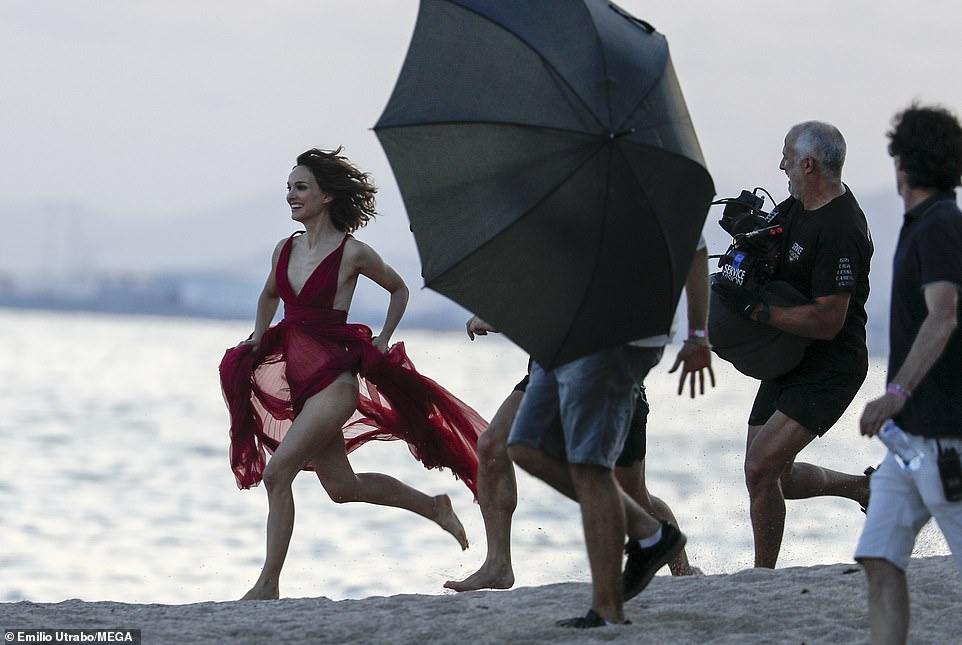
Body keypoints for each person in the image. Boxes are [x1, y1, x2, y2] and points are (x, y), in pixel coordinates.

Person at [218, 147, 487, 600]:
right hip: (301, 383)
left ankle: (267, 585)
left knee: (277, 473)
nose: (290, 196)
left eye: (300, 187)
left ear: (326, 196)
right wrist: (256, 335)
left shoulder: (352, 253)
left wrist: (383, 338)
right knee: (342, 488)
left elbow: (399, 289)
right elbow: (269, 295)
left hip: (334, 383)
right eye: (288, 188)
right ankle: (433, 506)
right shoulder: (283, 249)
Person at [444, 243, 713, 594]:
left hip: (610, 360)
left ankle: (682, 571)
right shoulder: (559, 213)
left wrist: (697, 335)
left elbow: (692, 251)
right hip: (552, 362)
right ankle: (498, 564)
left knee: (632, 494)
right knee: (494, 444)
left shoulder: (631, 211)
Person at [740, 121, 874, 568]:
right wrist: (747, 239)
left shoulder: (841, 228)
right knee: (773, 474)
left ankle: (763, 578)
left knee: (760, 468)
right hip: (791, 353)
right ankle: (862, 488)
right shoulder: (797, 206)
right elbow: (768, 252)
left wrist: (762, 314)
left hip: (831, 363)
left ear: (808, 164)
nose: (781, 165)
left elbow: (829, 319)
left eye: (786, 157)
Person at [855, 103, 962, 645]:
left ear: (904, 164)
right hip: (909, 444)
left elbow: (945, 313)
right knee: (878, 557)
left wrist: (896, 392)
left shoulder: (942, 222)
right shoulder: (923, 223)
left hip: (948, 440)